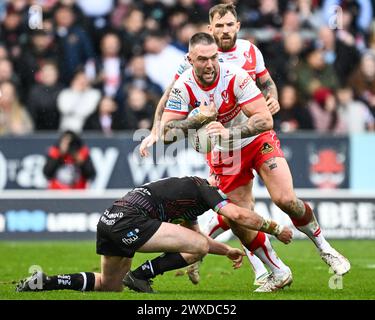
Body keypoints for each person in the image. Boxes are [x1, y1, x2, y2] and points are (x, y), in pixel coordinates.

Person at [160, 32, 351, 289]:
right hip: (225, 154)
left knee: (285, 199)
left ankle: (325, 248)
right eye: (202, 59)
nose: (210, 64)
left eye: (213, 57)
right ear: (190, 59)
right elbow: (166, 134)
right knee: (238, 217)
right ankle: (277, 271)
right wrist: (196, 120)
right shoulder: (183, 86)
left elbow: (265, 120)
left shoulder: (235, 76)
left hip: (256, 140)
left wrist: (230, 132)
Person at [140, 3, 281, 286]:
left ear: (237, 26)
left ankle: (246, 262)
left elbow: (267, 83)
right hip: (218, 141)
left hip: (248, 133)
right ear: (210, 28)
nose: (225, 30)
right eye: (219, 25)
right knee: (236, 206)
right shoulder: (189, 66)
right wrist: (157, 129)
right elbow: (169, 97)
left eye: (229, 24)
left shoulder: (249, 53)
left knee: (238, 206)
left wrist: (272, 98)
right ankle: (264, 269)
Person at [16, 176, 293, 293]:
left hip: (109, 220)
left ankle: (46, 282)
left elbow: (195, 240)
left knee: (109, 286)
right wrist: (276, 228)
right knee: (196, 245)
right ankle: (141, 275)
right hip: (130, 220)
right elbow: (236, 216)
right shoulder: (204, 187)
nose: (225, 188)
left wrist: (227, 251)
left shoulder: (189, 200)